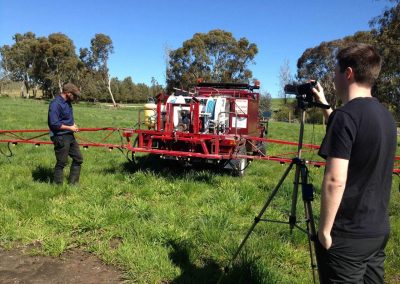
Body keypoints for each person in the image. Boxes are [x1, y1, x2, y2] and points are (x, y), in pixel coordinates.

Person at [312, 43, 397, 283]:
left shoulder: (346, 116)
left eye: (336, 72)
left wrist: (325, 231)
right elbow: (352, 137)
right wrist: (325, 105)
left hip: (348, 235)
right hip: (377, 230)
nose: (334, 77)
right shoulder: (385, 117)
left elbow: (335, 180)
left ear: (347, 73)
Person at [48, 83, 83, 185]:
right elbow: (54, 123)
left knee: (78, 158)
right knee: (62, 162)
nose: (75, 97)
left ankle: (73, 184)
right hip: (60, 136)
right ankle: (58, 186)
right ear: (67, 93)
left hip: (69, 135)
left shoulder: (68, 102)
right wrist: (70, 127)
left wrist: (73, 125)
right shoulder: (55, 104)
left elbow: (67, 119)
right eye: (74, 94)